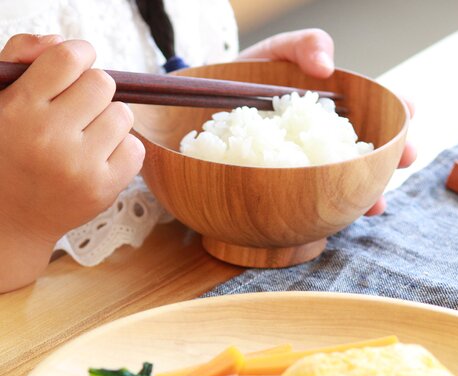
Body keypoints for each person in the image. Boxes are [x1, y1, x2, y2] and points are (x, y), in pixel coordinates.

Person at [0, 0, 415, 293]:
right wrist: (18, 222)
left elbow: (157, 102)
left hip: (180, 267)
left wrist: (230, 98)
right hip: (69, 318)